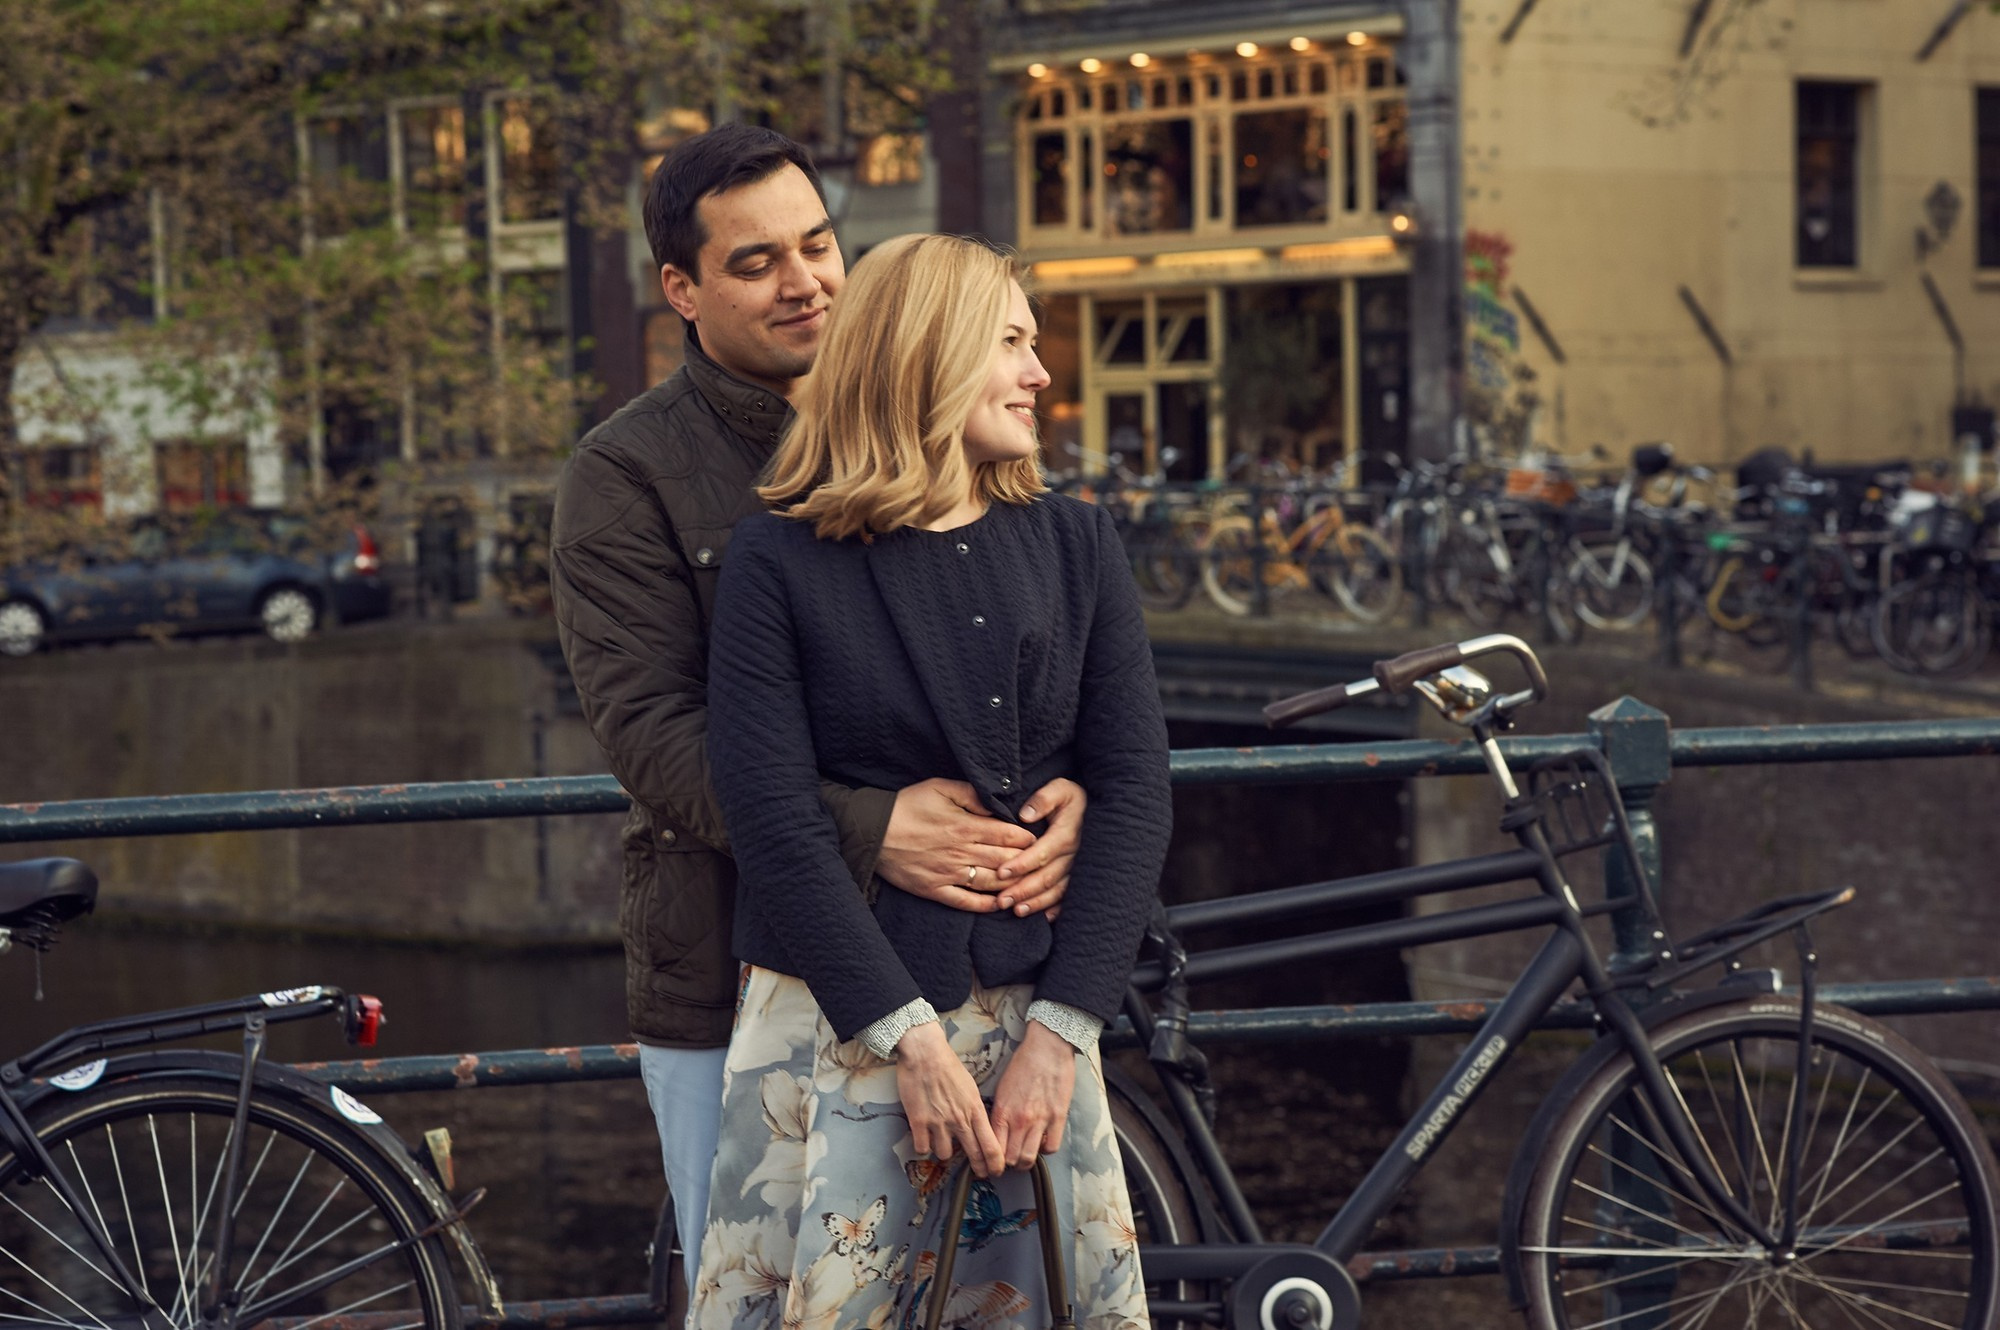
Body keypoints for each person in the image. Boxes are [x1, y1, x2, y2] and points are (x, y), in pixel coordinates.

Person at [547, 126, 1087, 1287]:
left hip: (968, 952)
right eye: (755, 263)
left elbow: (1011, 661)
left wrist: (1065, 792)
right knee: (754, 1284)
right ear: (680, 290)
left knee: (992, 1283)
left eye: (819, 244)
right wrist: (877, 825)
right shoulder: (625, 473)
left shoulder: (943, 431)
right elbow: (653, 735)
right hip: (736, 961)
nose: (805, 282)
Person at [694, 233, 1171, 1330]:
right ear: (924, 354)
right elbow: (770, 817)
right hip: (840, 1020)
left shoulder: (1076, 542)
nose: (1038, 372)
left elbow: (1135, 786)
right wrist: (900, 1037)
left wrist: (1062, 1035)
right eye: (1010, 342)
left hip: (1034, 1025)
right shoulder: (776, 558)